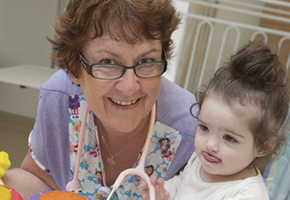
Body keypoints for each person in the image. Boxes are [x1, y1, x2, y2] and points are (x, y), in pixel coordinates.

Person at [2, 0, 198, 200]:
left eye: (146, 61)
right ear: (74, 66)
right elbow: (38, 178)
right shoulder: (60, 99)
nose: (130, 86)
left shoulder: (192, 128)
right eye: (108, 62)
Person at [140, 41, 290, 200]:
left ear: (264, 147)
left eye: (229, 138)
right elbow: (181, 182)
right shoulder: (200, 161)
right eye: (204, 128)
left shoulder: (248, 194)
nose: (210, 145)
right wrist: (164, 193)